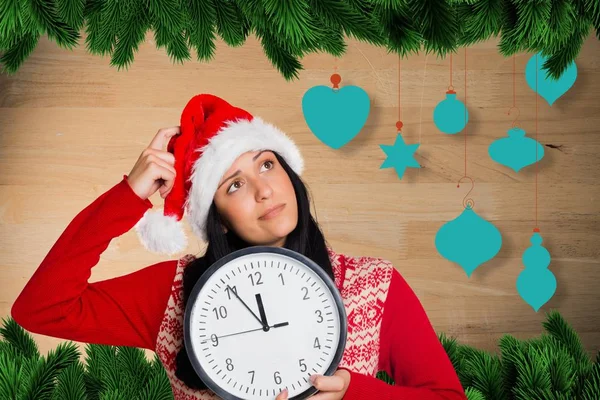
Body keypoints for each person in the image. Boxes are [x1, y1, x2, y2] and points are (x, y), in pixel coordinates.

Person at [11, 94, 467, 400]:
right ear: (218, 220)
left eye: (266, 164)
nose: (263, 190)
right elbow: (41, 309)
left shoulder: (373, 285)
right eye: (233, 185)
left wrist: (355, 391)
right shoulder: (174, 294)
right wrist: (129, 196)